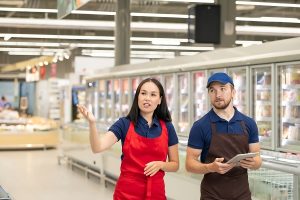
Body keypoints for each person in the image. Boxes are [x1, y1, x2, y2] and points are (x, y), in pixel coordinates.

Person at [77, 78, 179, 200]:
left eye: (153, 95)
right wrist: (92, 124)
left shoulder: (167, 127)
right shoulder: (124, 124)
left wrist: (161, 165)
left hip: (156, 193)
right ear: (137, 97)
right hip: (126, 193)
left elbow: (175, 164)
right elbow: (97, 147)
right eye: (143, 93)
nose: (147, 98)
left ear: (160, 100)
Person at [185, 72, 262, 200]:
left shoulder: (249, 124)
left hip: (242, 194)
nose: (218, 95)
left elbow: (258, 160)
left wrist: (252, 163)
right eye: (212, 90)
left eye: (223, 89)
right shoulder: (200, 126)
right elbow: (189, 164)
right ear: (209, 94)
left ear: (233, 92)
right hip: (212, 194)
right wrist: (210, 167)